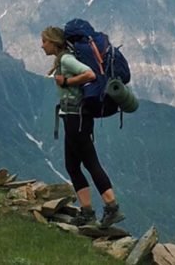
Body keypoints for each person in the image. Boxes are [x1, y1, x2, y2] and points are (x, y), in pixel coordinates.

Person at [41, 26, 125, 228]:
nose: (42, 45)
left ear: (53, 42)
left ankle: (112, 208)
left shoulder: (66, 60)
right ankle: (87, 211)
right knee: (72, 165)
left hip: (77, 117)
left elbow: (90, 75)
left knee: (90, 162)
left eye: (44, 41)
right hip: (72, 117)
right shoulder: (64, 59)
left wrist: (67, 81)